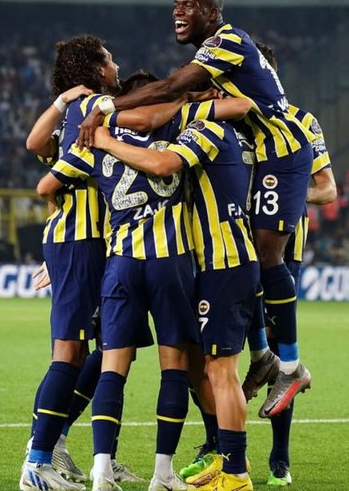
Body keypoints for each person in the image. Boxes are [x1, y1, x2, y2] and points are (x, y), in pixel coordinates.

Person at [78, 0, 314, 419]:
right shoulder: (213, 54)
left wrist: (107, 107)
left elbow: (171, 87)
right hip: (261, 153)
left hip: (282, 151)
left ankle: (290, 366)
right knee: (252, 258)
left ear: (212, 12)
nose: (177, 12)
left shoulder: (229, 41)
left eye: (188, 5)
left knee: (265, 256)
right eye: (175, 4)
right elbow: (173, 96)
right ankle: (263, 354)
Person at [38, 75, 250, 491]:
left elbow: (46, 185)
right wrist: (188, 96)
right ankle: (162, 473)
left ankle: (101, 470)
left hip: (120, 262)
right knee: (174, 367)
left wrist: (59, 244)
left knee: (112, 368)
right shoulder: (176, 129)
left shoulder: (94, 140)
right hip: (170, 263)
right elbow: (229, 112)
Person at [92, 98, 257, 491]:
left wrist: (101, 133)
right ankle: (182, 469)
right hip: (187, 261)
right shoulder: (199, 133)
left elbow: (48, 172)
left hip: (192, 262)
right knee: (190, 367)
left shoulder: (204, 129)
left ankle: (233, 470)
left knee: (212, 371)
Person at [20, 35, 119, 491]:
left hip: (89, 245)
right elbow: (40, 162)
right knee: (71, 351)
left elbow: (37, 144)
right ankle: (37, 460)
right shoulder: (94, 110)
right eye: (110, 59)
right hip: (81, 242)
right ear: (97, 69)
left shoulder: (77, 115)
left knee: (112, 347)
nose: (116, 65)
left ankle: (60, 444)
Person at [247, 43, 337, 486]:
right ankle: (218, 447)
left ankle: (279, 457)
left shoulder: (302, 122)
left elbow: (328, 189)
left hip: (281, 253)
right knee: (217, 351)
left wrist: (284, 196)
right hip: (228, 249)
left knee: (282, 353)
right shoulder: (227, 120)